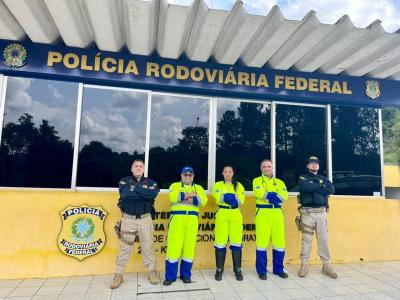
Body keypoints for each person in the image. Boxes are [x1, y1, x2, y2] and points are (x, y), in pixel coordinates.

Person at [110, 159, 160, 289]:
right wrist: (143, 193)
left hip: (145, 219)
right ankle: (118, 275)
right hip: (128, 219)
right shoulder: (124, 181)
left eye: (141, 166)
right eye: (136, 166)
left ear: (144, 169)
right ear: (132, 169)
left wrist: (134, 189)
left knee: (147, 246)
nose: (138, 168)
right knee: (125, 248)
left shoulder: (151, 183)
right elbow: (126, 196)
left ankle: (152, 272)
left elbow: (152, 194)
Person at [163, 166, 208, 286]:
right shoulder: (174, 186)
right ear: (181, 176)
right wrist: (191, 196)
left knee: (189, 247)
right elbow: (173, 197)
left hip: (192, 219)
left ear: (193, 176)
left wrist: (185, 197)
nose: (187, 176)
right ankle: (170, 276)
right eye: (185, 174)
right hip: (177, 219)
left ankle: (186, 275)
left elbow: (203, 201)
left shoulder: (198, 188)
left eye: (190, 175)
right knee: (174, 246)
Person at [298, 156, 337, 278]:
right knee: (306, 240)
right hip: (307, 213)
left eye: (316, 164)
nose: (314, 165)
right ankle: (304, 265)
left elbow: (331, 189)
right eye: (312, 163)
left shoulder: (324, 178)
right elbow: (306, 187)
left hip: (321, 213)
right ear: (307, 166)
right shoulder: (303, 178)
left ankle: (326, 265)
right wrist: (321, 186)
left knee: (323, 240)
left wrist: (316, 186)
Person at [252, 159, 289, 280]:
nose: (267, 168)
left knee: (279, 242)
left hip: (277, 213)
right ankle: (262, 271)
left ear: (272, 168)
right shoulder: (256, 180)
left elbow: (284, 197)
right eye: (264, 167)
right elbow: (260, 194)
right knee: (262, 243)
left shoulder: (280, 182)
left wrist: (269, 196)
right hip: (263, 213)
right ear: (261, 168)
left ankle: (278, 269)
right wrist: (273, 196)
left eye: (269, 166)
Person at [212, 165, 245, 281]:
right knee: (220, 242)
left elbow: (241, 200)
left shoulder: (239, 185)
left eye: (230, 171)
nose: (227, 173)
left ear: (233, 173)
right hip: (222, 213)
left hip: (235, 213)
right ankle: (219, 270)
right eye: (225, 171)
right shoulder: (218, 185)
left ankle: (238, 270)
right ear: (222, 173)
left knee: (236, 241)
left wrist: (226, 197)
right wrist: (231, 197)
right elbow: (217, 197)